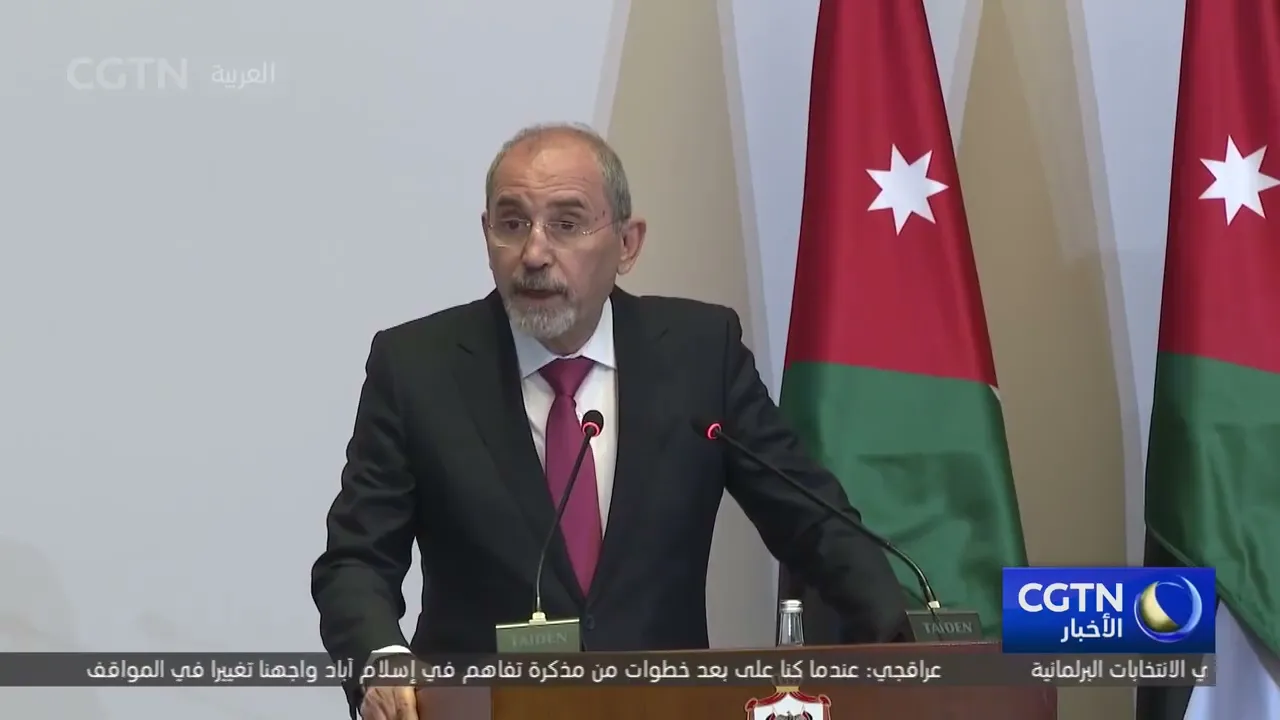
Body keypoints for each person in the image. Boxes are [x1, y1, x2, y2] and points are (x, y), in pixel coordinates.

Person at [311, 122, 909, 719]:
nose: (534, 253)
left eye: (566, 224)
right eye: (512, 224)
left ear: (627, 243)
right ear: (486, 234)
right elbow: (357, 559)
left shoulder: (700, 353)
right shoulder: (418, 367)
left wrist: (905, 658)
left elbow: (813, 521)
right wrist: (380, 659)